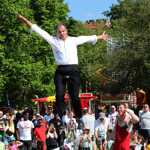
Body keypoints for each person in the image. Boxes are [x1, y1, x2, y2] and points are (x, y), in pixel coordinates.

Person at [18, 14, 108, 128]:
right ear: (57, 33)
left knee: (75, 96)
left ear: (66, 31)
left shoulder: (73, 40)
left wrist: (100, 37)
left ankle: (79, 118)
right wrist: (26, 21)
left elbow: (86, 38)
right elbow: (40, 31)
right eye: (59, 32)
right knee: (59, 94)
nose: (62, 34)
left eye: (63, 31)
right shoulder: (53, 41)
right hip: (61, 70)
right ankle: (62, 117)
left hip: (73, 69)